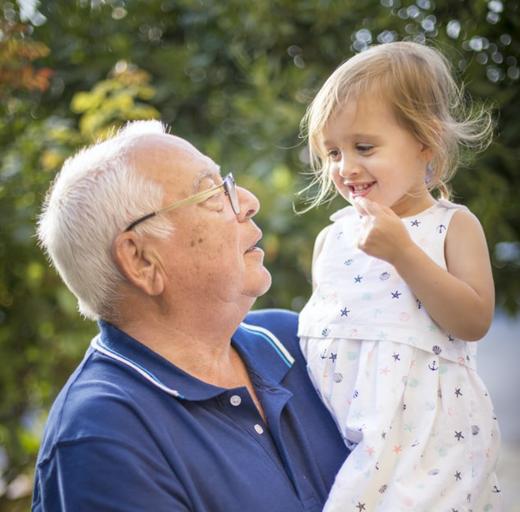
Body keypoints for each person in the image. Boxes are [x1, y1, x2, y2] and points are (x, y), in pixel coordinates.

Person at [32, 120, 348, 512]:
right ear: (141, 259)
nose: (249, 201)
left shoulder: (297, 339)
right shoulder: (103, 433)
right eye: (213, 194)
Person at [297, 42, 501, 511]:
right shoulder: (333, 239)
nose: (346, 168)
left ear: (425, 142)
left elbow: (472, 321)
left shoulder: (451, 226)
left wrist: (404, 253)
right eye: (332, 152)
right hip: (347, 439)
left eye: (364, 146)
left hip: (430, 445)